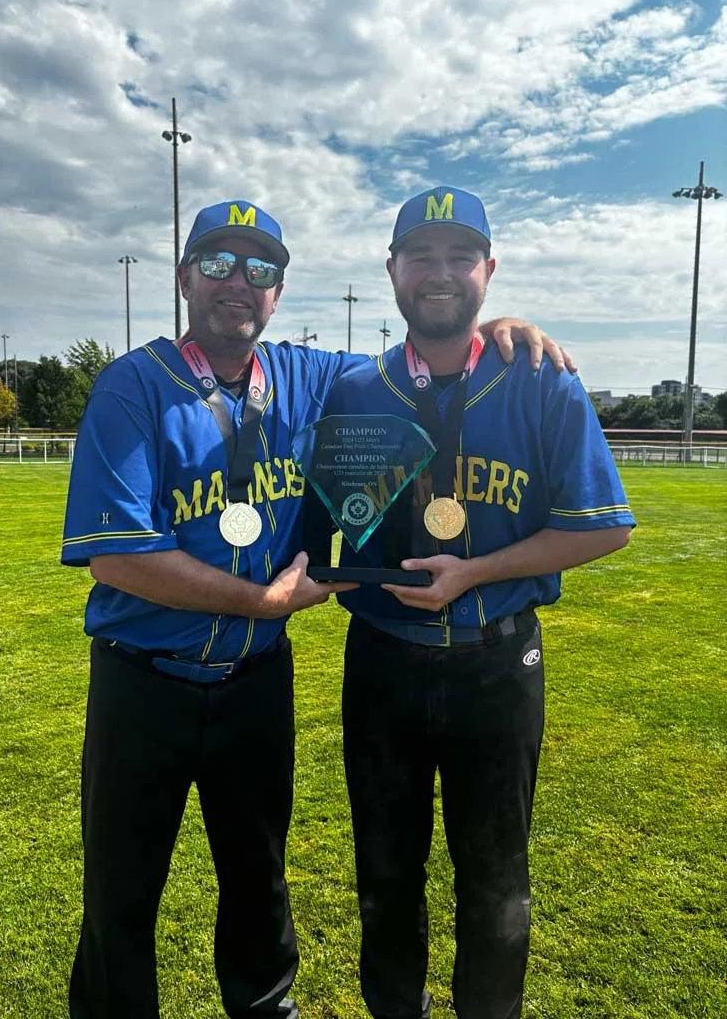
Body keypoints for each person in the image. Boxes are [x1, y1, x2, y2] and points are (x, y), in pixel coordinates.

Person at [61, 196, 573, 1019]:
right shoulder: (135, 386)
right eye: (221, 264)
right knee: (120, 894)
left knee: (259, 883)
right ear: (186, 276)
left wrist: (499, 324)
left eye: (262, 269)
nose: (241, 282)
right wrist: (262, 600)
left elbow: (428, 349)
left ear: (278, 291)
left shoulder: (308, 375)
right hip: (142, 682)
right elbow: (120, 556)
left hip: (256, 684)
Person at [323, 186, 635, 1019]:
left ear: (489, 272)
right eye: (420, 254)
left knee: (496, 879)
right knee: (384, 873)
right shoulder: (354, 389)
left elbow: (603, 530)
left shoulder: (543, 380)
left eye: (461, 255)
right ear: (390, 271)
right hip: (383, 662)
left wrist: (476, 571)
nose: (440, 272)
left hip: (498, 662)